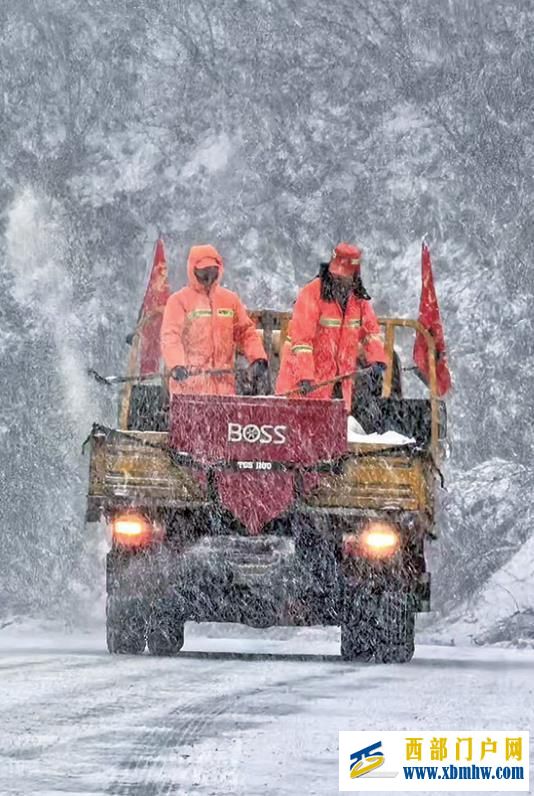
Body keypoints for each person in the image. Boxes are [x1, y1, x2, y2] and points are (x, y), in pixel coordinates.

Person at [275, 242, 387, 410]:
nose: (341, 280)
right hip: (301, 385)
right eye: (339, 276)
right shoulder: (311, 293)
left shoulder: (358, 301)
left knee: (332, 429)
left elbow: (371, 332)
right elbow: (302, 341)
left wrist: (377, 360)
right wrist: (305, 376)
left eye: (346, 276)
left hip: (339, 383)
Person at [161, 244, 269, 396]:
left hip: (224, 391)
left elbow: (246, 332)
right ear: (192, 270)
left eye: (212, 271)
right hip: (189, 390)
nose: (208, 276)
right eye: (203, 271)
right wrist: (177, 365)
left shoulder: (230, 300)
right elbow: (171, 336)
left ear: (219, 269)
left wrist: (258, 358)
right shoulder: (179, 301)